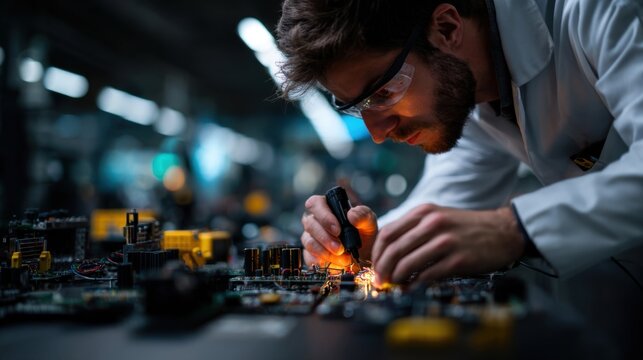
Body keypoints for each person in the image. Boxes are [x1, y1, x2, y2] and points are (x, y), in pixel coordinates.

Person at [276, 0, 643, 287]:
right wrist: (369, 245)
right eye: (359, 108)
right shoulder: (465, 96)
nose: (377, 132)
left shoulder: (598, 11)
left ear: (447, 27)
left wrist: (514, 228)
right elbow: (444, 203)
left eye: (383, 92)